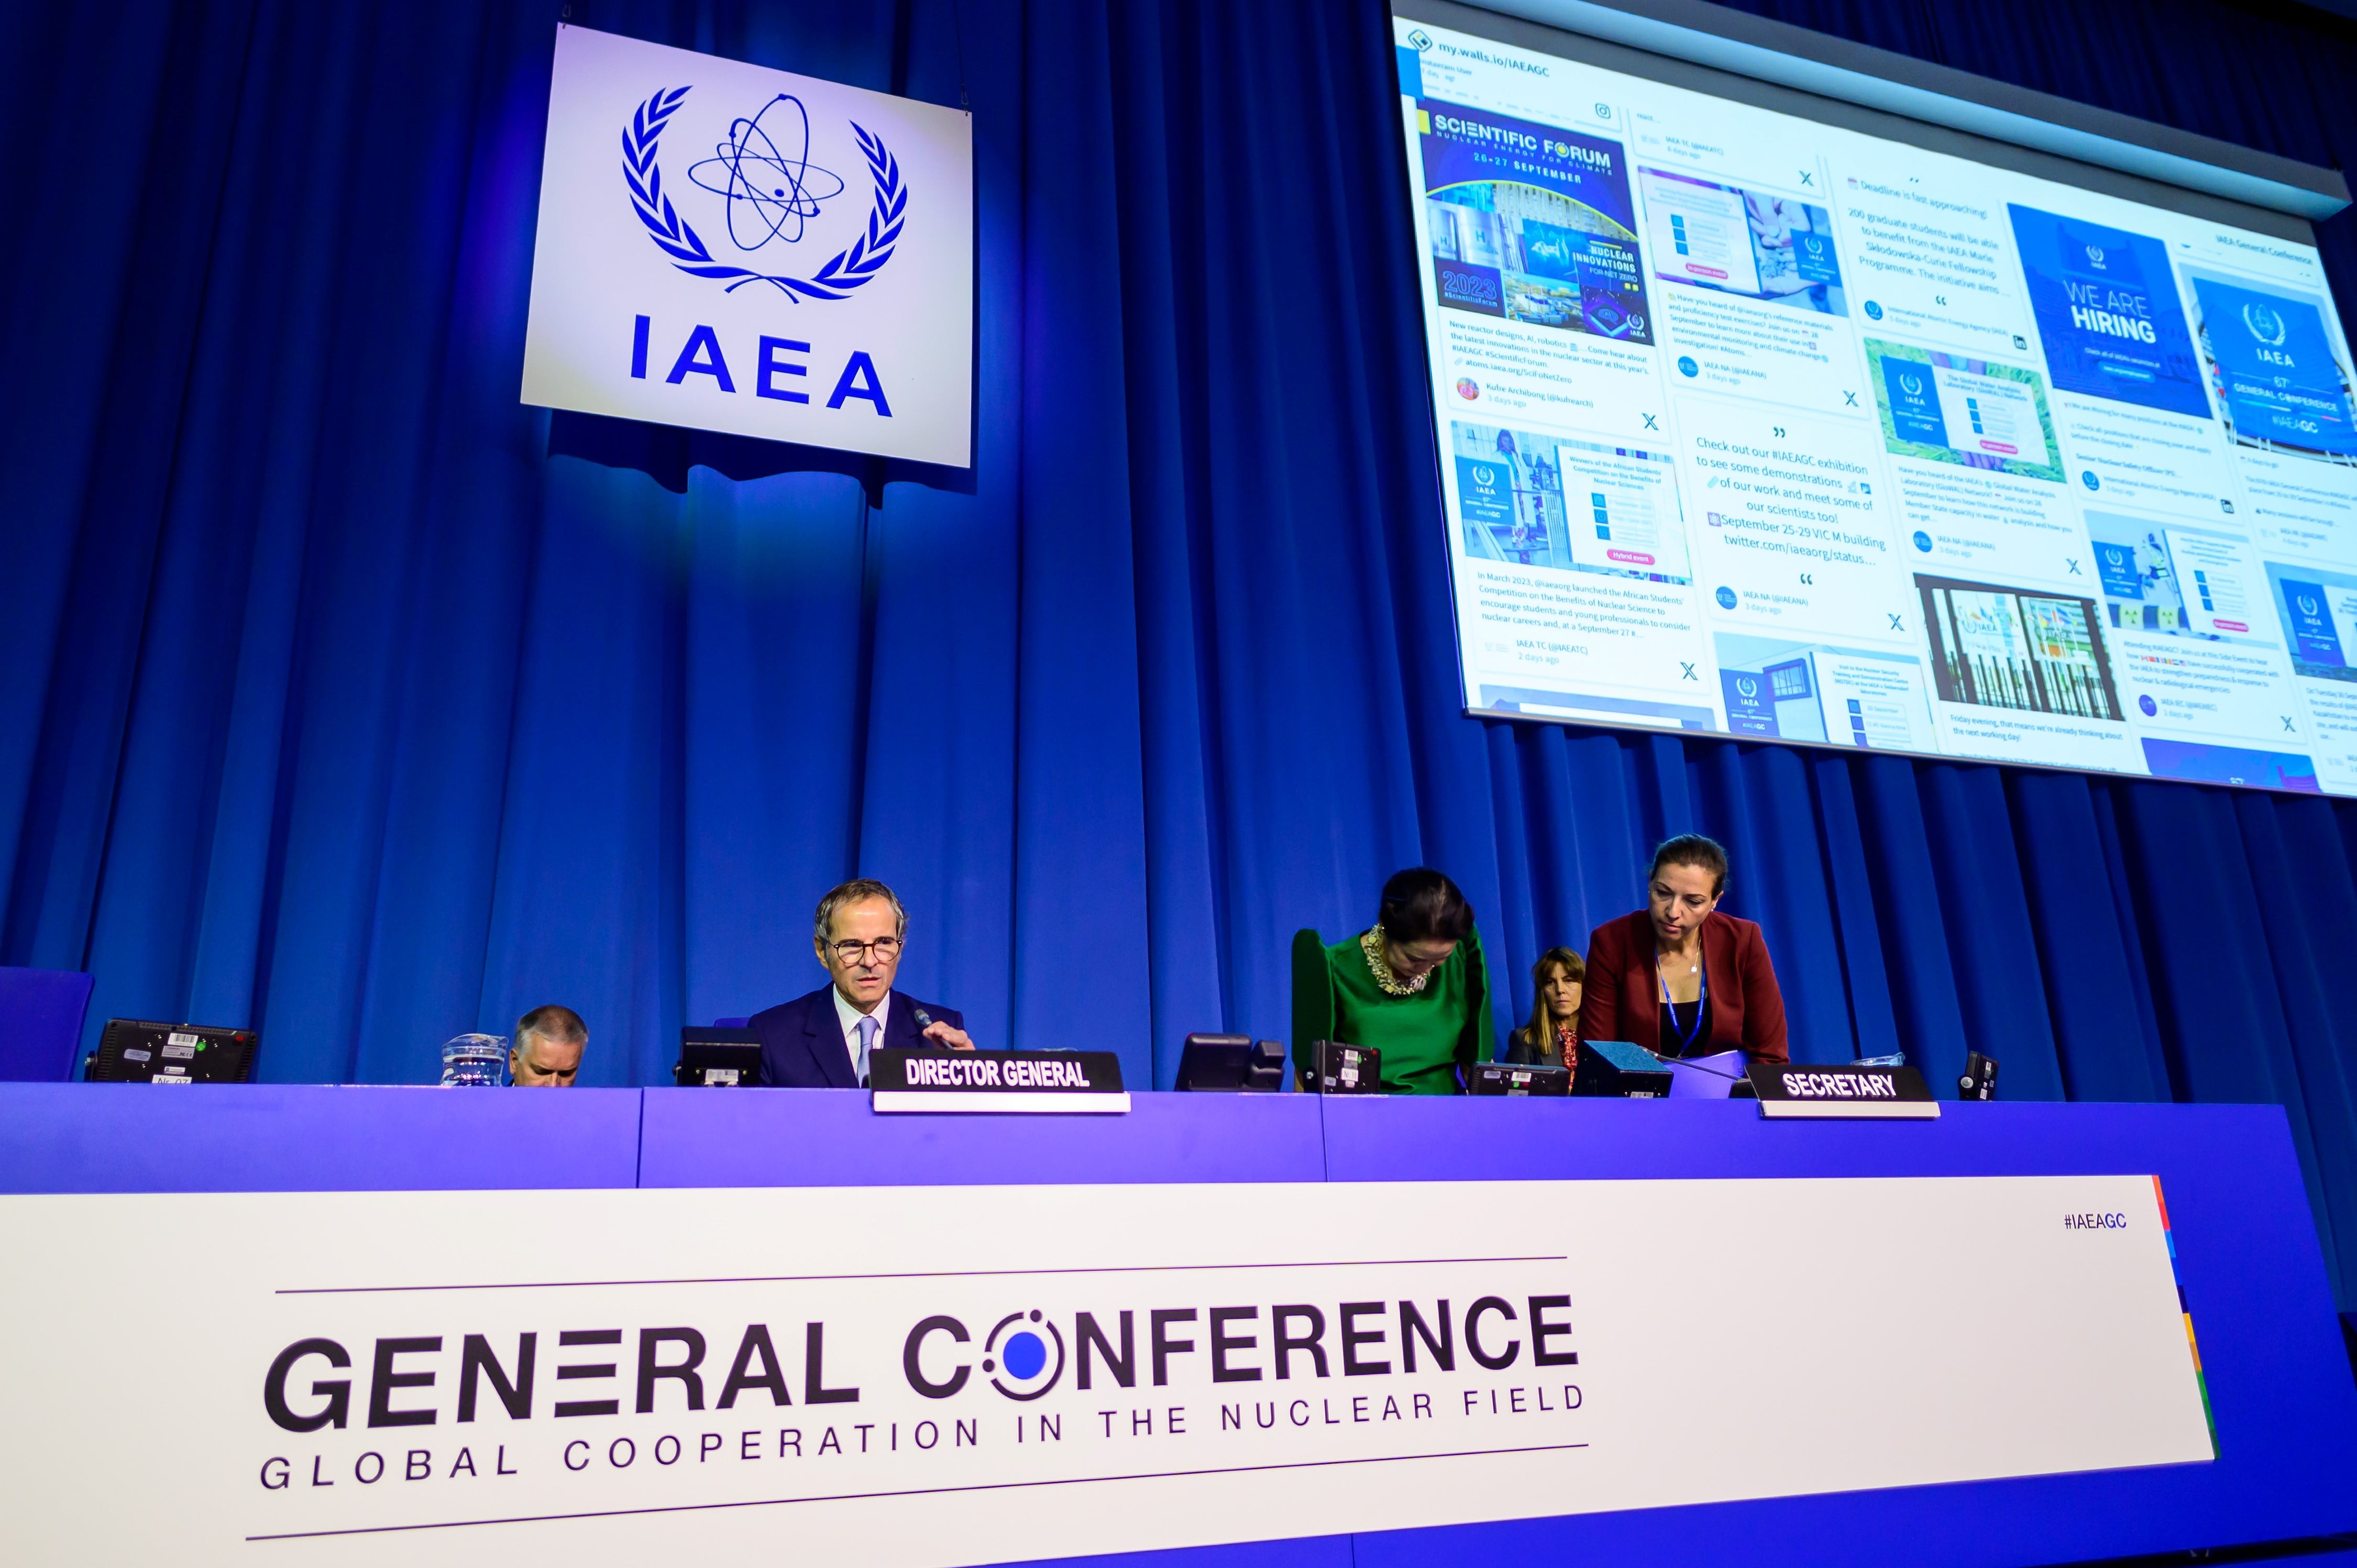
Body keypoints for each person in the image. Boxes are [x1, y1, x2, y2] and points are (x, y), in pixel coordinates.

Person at [1579, 834, 1789, 1064]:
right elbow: (1598, 1057)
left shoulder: (1742, 941)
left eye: (1693, 901)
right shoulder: (1612, 943)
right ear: (1650, 882)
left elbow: (1770, 1056)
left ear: (1715, 901)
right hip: (1642, 1096)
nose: (1673, 912)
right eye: (1663, 893)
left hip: (1730, 1096)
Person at [751, 878, 974, 1088]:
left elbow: (964, 1126)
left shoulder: (940, 1035)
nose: (869, 961)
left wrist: (972, 1083)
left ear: (901, 947)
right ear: (822, 951)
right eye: (852, 945)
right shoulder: (772, 1035)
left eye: (884, 942)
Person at [1291, 868, 1493, 1095]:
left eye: (1441, 958)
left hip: (1445, 1118)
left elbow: (1477, 1069)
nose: (1427, 969)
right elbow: (1307, 1077)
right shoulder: (1335, 969)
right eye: (1414, 959)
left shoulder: (1464, 961)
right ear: (1384, 926)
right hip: (1362, 1120)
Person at [1503, 947, 1583, 1069]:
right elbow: (1516, 1089)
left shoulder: (1603, 1038)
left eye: (1568, 980)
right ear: (1542, 991)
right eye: (1550, 983)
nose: (1560, 990)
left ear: (1584, 985)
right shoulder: (1524, 1040)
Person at [508, 1004, 586, 1086]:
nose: (553, 1085)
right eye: (542, 1072)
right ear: (514, 1062)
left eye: (566, 1074)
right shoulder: (494, 1100)